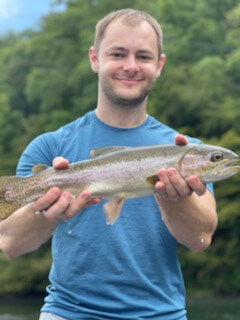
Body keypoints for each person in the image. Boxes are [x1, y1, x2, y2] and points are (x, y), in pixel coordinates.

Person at [0, 8, 217, 320]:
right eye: (118, 53)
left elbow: (200, 239)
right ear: (94, 59)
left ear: (159, 65)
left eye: (143, 56)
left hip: (161, 314)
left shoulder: (183, 148)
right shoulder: (51, 147)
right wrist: (48, 212)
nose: (130, 66)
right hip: (67, 313)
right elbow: (9, 243)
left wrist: (173, 201)